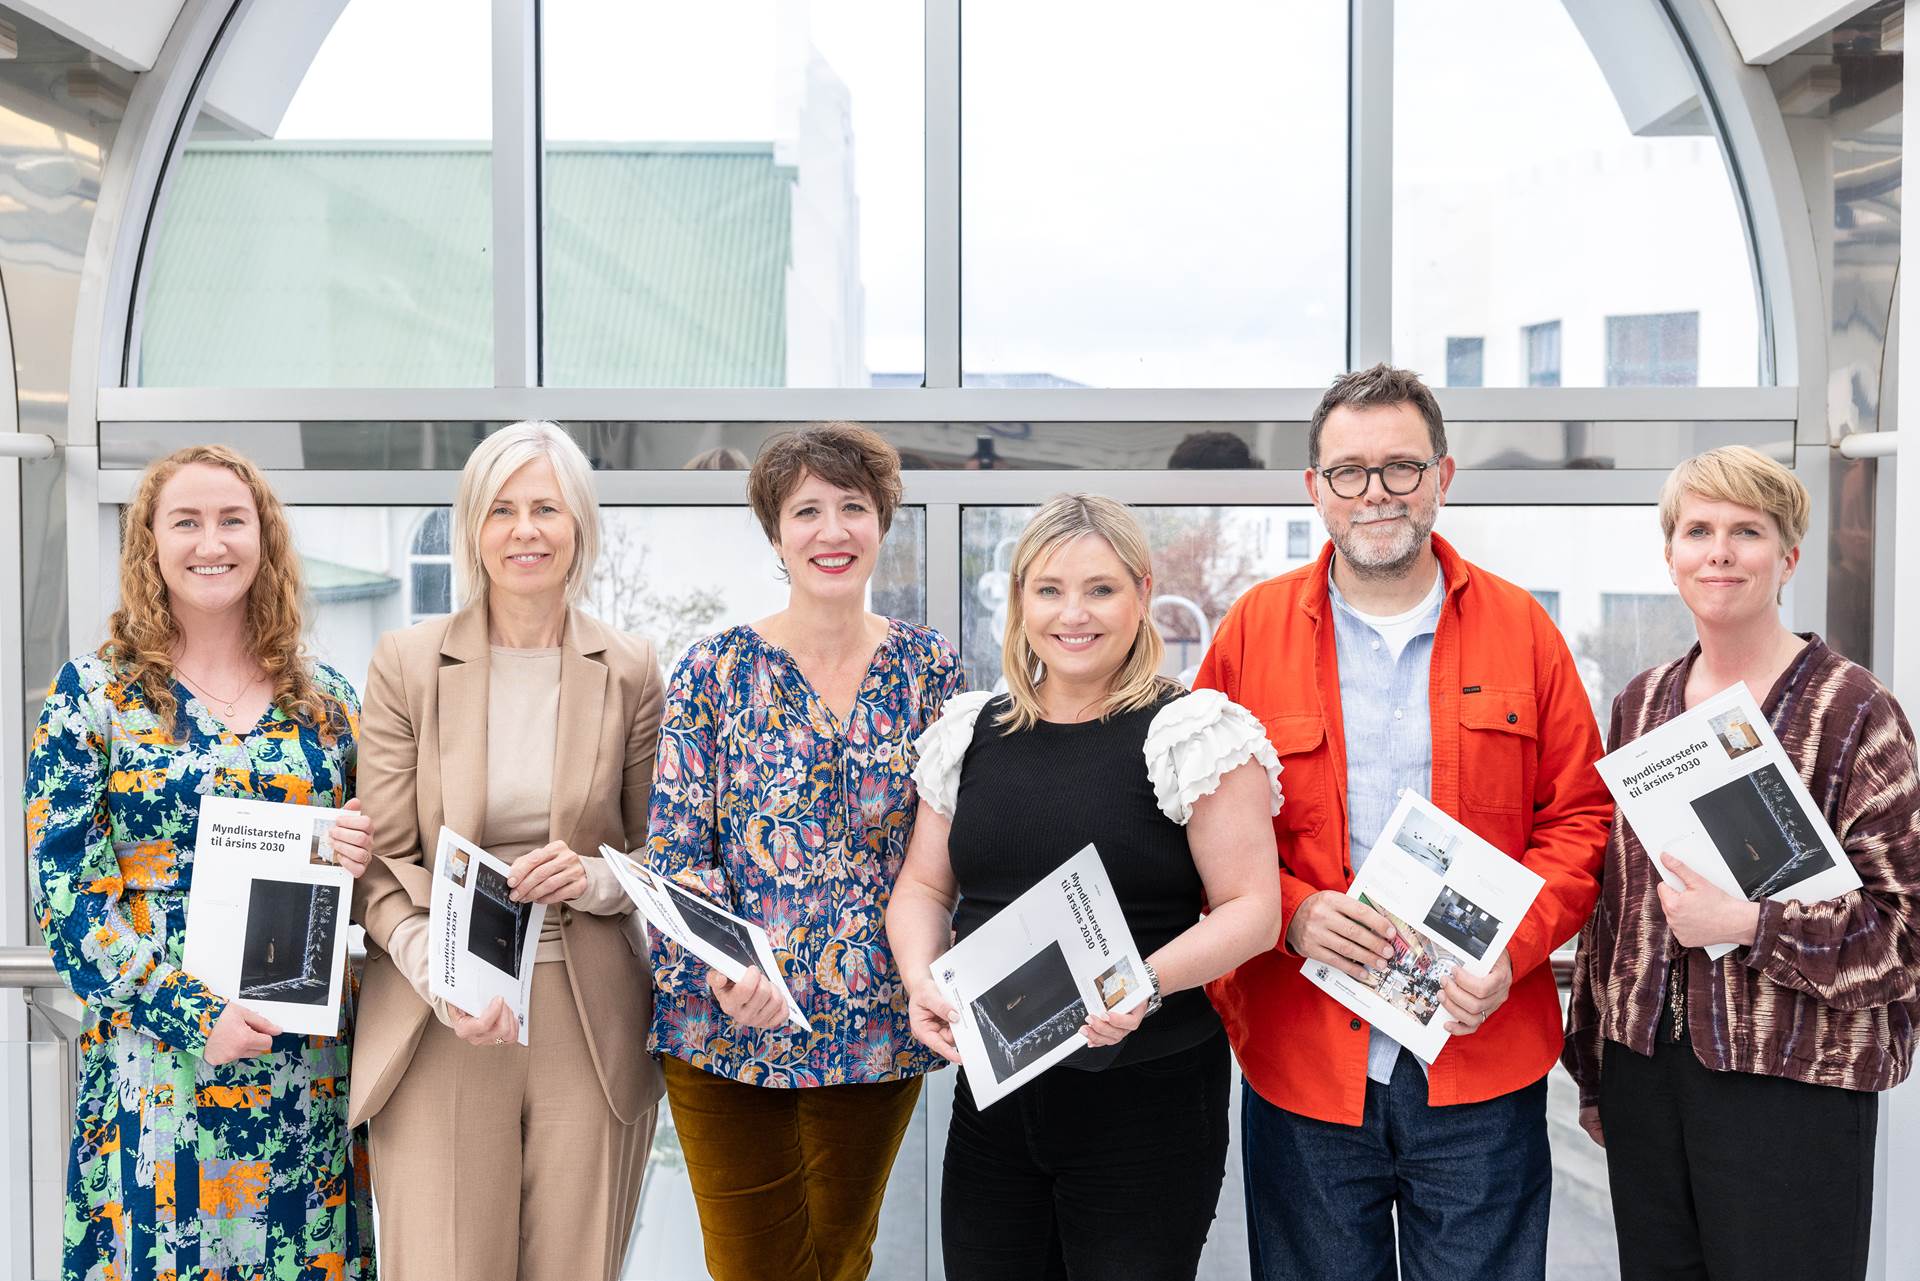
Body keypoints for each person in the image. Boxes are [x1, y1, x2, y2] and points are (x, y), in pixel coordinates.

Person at [1193, 364, 1612, 1281]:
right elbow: (1193, 827)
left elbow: (1580, 818)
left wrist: (1514, 950)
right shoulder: (1249, 636)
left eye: (1400, 467)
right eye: (1349, 471)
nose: (1375, 492)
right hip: (1302, 1057)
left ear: (1443, 477)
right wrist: (1294, 911)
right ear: (1314, 490)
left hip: (1479, 1063)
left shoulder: (1524, 631)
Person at [886, 493, 1283, 1281]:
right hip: (996, 1100)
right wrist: (918, 981)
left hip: (1149, 1096)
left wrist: (1142, 980)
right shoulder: (970, 732)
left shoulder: (1192, 731)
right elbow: (924, 890)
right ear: (1019, 601)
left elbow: (1254, 910)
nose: (1075, 613)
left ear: (1141, 593)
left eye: (1100, 588)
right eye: (1050, 589)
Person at [1565, 446, 1920, 1281]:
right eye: (1698, 530)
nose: (1719, 551)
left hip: (1794, 1081)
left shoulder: (1855, 711)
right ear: (1671, 555)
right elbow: (1615, 904)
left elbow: (1903, 936)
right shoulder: (1642, 703)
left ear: (1788, 557)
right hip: (1647, 1076)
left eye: (1746, 531)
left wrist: (1750, 924)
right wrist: (1594, 1064)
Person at [25, 445, 377, 1280]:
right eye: (185, 521)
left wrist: (362, 850)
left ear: (265, 539)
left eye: (231, 519)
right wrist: (192, 1012)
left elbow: (381, 874)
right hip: (158, 1074)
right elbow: (67, 898)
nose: (209, 541)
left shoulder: (326, 705)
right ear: (150, 542)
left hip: (299, 1075)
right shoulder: (92, 697)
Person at [646, 421, 963, 1281]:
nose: (833, 531)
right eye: (807, 510)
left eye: (853, 506)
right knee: (754, 1268)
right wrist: (724, 968)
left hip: (872, 1026)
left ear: (883, 523)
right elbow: (679, 847)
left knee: (839, 1258)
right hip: (725, 1023)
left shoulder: (931, 671)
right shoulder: (714, 668)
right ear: (776, 534)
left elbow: (947, 850)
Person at [351, 422, 665, 1281]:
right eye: (502, 510)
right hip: (440, 1013)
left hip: (587, 1013)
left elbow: (656, 856)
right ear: (473, 529)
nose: (525, 529)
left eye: (545, 509)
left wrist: (595, 876)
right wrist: (440, 971)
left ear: (579, 528)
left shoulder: (632, 667)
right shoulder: (407, 664)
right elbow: (382, 863)